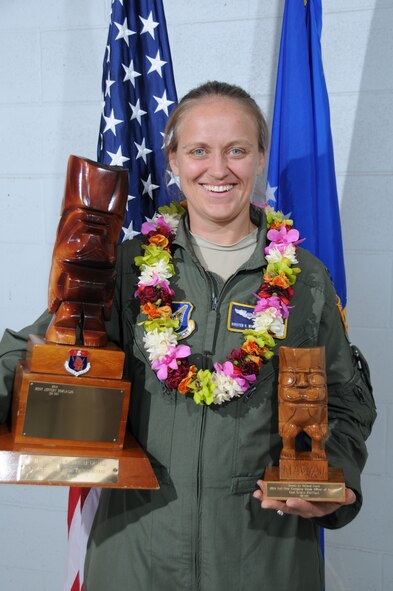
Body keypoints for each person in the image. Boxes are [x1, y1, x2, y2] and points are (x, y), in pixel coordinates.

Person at [0, 81, 376, 590]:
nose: (218, 169)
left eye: (236, 150)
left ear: (260, 158)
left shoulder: (305, 278)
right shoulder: (125, 266)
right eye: (198, 150)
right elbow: (41, 353)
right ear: (173, 162)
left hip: (264, 558)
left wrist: (337, 482)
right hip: (137, 554)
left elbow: (346, 402)